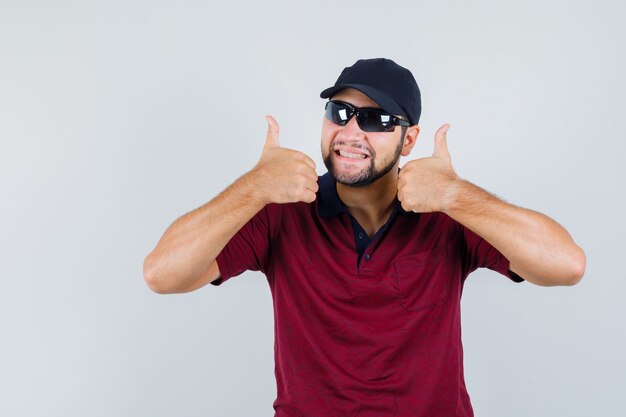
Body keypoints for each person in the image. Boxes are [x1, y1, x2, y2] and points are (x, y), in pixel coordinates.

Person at [143, 58, 586, 417]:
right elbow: (163, 274)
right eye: (340, 113)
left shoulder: (447, 214)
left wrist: (456, 194)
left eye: (375, 119)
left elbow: (566, 265)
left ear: (409, 139)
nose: (351, 133)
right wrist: (253, 187)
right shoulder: (283, 211)